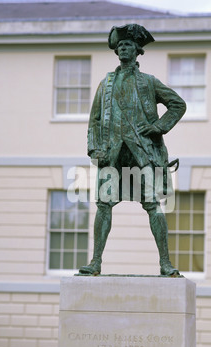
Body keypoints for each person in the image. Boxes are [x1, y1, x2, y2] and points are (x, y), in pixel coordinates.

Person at [79, 24, 186, 276]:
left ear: (137, 50)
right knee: (103, 205)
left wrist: (158, 127)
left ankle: (165, 263)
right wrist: (95, 149)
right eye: (120, 46)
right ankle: (95, 262)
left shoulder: (149, 82)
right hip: (111, 153)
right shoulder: (105, 84)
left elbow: (177, 104)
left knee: (153, 206)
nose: (123, 48)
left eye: (128, 44)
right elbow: (94, 120)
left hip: (142, 152)